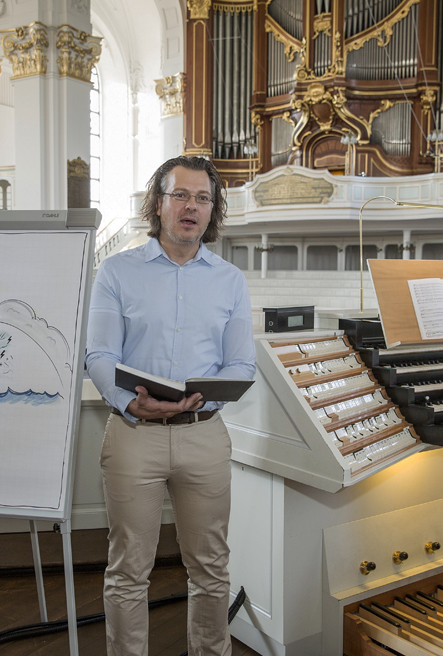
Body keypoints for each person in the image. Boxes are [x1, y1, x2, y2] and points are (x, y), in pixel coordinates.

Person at [85, 156, 256, 655]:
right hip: (133, 434)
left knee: (210, 568)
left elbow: (241, 364)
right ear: (158, 204)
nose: (191, 207)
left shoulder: (230, 280)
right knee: (128, 569)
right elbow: (99, 354)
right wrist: (129, 404)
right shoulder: (116, 271)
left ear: (212, 211)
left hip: (203, 435)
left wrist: (203, 393)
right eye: (180, 195)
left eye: (203, 198)